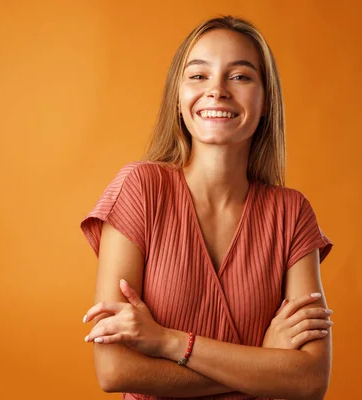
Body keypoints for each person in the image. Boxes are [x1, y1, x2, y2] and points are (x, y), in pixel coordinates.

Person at [80, 15, 334, 400]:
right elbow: (114, 370)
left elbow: (311, 381)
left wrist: (167, 342)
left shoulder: (292, 214)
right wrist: (264, 362)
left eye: (240, 77)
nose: (217, 91)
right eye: (198, 76)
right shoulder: (140, 190)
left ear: (265, 101)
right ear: (178, 97)